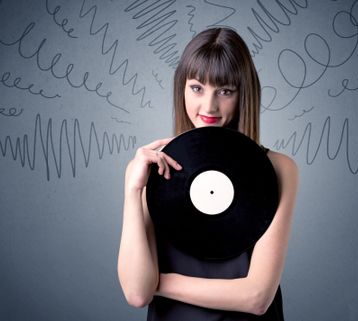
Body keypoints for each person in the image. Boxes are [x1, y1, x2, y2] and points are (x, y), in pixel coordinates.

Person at [117, 27, 298, 321]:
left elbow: (256, 297)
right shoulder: (149, 169)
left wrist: (156, 282)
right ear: (182, 89)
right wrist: (132, 190)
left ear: (244, 94)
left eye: (225, 91)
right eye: (197, 88)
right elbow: (137, 294)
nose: (209, 106)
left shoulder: (279, 169)